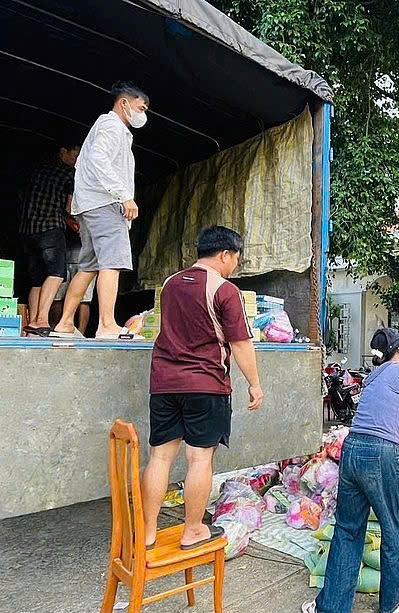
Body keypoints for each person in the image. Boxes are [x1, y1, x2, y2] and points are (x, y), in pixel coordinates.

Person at [302, 328, 399, 613]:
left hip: (352, 448)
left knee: (347, 529)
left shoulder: (373, 377)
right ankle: (390, 603)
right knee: (393, 527)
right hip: (382, 454)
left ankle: (329, 611)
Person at [141, 226, 264, 552]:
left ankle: (148, 532)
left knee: (159, 457)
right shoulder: (224, 290)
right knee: (199, 459)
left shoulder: (170, 284)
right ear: (225, 254)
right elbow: (240, 343)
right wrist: (254, 384)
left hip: (164, 383)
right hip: (206, 385)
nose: (235, 265)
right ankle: (193, 530)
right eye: (235, 259)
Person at [51, 81, 149, 339]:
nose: (143, 114)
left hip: (90, 206)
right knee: (112, 263)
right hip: (105, 205)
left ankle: (64, 324)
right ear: (124, 103)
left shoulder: (109, 128)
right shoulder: (111, 125)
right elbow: (98, 158)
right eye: (141, 108)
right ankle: (107, 325)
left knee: (89, 266)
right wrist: (124, 196)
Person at [18, 139, 80, 336]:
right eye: (75, 155)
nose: (77, 160)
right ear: (63, 151)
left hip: (27, 230)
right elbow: (70, 207)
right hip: (51, 228)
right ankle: (41, 320)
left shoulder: (37, 170)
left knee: (36, 279)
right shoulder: (69, 173)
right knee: (56, 273)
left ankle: (31, 326)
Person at [51, 215, 96, 336]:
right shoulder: (61, 217)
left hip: (84, 260)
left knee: (84, 300)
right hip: (65, 258)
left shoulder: (89, 215)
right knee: (58, 297)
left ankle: (81, 332)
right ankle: (56, 327)